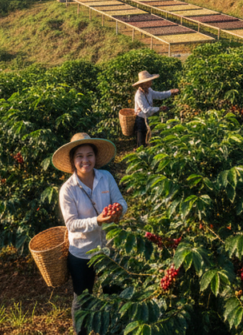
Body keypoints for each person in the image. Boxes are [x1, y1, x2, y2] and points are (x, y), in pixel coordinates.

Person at [54, 133, 127, 335]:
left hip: (108, 249)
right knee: (83, 299)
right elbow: (71, 224)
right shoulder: (68, 189)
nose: (85, 160)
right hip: (82, 253)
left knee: (113, 293)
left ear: (95, 157)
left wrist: (119, 210)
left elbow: (121, 201)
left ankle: (113, 329)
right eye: (80, 156)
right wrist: (98, 221)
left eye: (89, 155)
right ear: (73, 160)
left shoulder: (106, 177)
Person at [132, 70, 179, 148]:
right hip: (140, 120)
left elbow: (158, 95)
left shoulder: (149, 90)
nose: (151, 82)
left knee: (150, 140)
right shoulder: (139, 95)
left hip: (148, 118)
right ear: (144, 83)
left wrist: (170, 92)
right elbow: (145, 110)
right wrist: (159, 109)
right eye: (149, 80)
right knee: (141, 144)